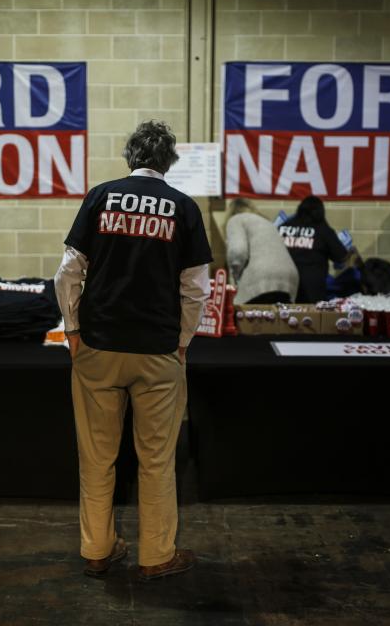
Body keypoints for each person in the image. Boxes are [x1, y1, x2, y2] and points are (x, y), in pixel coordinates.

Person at [54, 120, 212, 581]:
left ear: (130, 156)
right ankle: (156, 555)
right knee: (157, 460)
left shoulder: (101, 195)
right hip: (157, 352)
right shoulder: (184, 208)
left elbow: (67, 272)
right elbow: (196, 289)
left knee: (96, 457)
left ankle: (98, 550)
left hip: (98, 347)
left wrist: (72, 328)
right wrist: (182, 341)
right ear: (169, 161)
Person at [278, 195, 350, 303]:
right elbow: (341, 256)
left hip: (283, 287)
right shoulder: (322, 229)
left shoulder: (283, 227)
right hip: (312, 292)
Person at [225, 198, 298, 304]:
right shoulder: (268, 223)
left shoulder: (236, 219)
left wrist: (235, 278)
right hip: (290, 280)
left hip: (260, 278)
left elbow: (237, 251)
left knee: (245, 318)